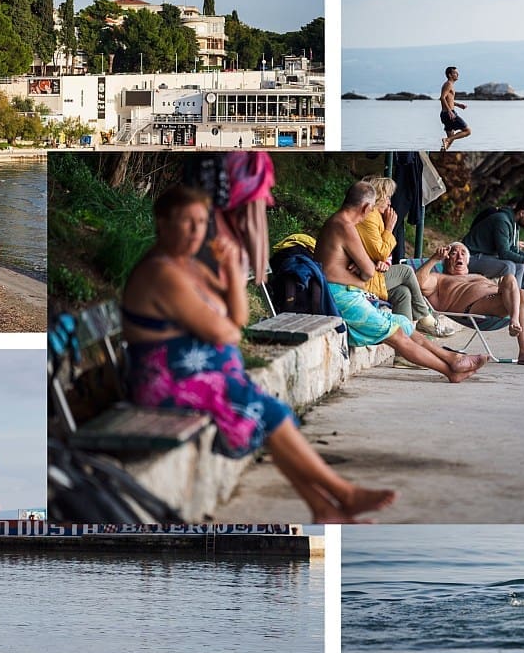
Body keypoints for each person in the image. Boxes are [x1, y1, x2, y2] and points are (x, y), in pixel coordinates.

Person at [122, 185, 396, 523]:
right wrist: (227, 313)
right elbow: (224, 330)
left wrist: (233, 271)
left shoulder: (188, 265)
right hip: (167, 384)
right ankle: (340, 494)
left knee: (267, 410)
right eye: (185, 223)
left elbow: (235, 318)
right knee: (269, 412)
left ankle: (326, 506)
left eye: (200, 222)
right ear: (162, 223)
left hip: (197, 374)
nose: (195, 232)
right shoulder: (162, 272)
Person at [318, 181, 488, 382]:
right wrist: (363, 272)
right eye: (371, 209)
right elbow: (369, 271)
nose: (370, 213)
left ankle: (452, 358)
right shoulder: (345, 226)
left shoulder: (338, 222)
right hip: (341, 297)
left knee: (403, 324)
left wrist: (362, 268)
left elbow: (362, 267)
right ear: (365, 207)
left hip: (346, 293)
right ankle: (450, 370)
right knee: (397, 335)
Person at [417, 243, 524, 366]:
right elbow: (417, 281)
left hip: (501, 301)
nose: (459, 257)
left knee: (519, 290)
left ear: (468, 260)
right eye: (454, 253)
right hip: (473, 308)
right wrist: (434, 259)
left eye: (463, 254)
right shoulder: (440, 279)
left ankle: (515, 323)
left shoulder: (477, 275)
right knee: (512, 280)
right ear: (446, 259)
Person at [357, 177, 453, 337]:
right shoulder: (370, 217)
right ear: (378, 197)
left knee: (403, 293)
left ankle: (403, 353)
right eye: (387, 197)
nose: (389, 202)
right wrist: (389, 228)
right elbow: (380, 251)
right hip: (361, 280)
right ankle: (424, 317)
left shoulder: (376, 218)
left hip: (373, 274)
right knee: (406, 271)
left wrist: (382, 263)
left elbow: (382, 255)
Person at [461, 199, 524, 288]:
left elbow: (513, 249)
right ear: (522, 213)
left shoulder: (513, 223)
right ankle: (506, 300)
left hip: (485, 256)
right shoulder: (502, 220)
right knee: (508, 266)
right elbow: (504, 253)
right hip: (470, 257)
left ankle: (517, 299)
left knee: (520, 266)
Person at [439, 66, 471, 151]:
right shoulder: (448, 84)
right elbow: (442, 98)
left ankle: (443, 150)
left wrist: (458, 105)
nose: (457, 74)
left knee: (449, 141)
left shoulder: (450, 84)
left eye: (457, 73)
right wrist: (450, 111)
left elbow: (448, 99)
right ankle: (447, 140)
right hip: (449, 113)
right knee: (467, 131)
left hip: (446, 114)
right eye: (455, 73)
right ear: (450, 75)